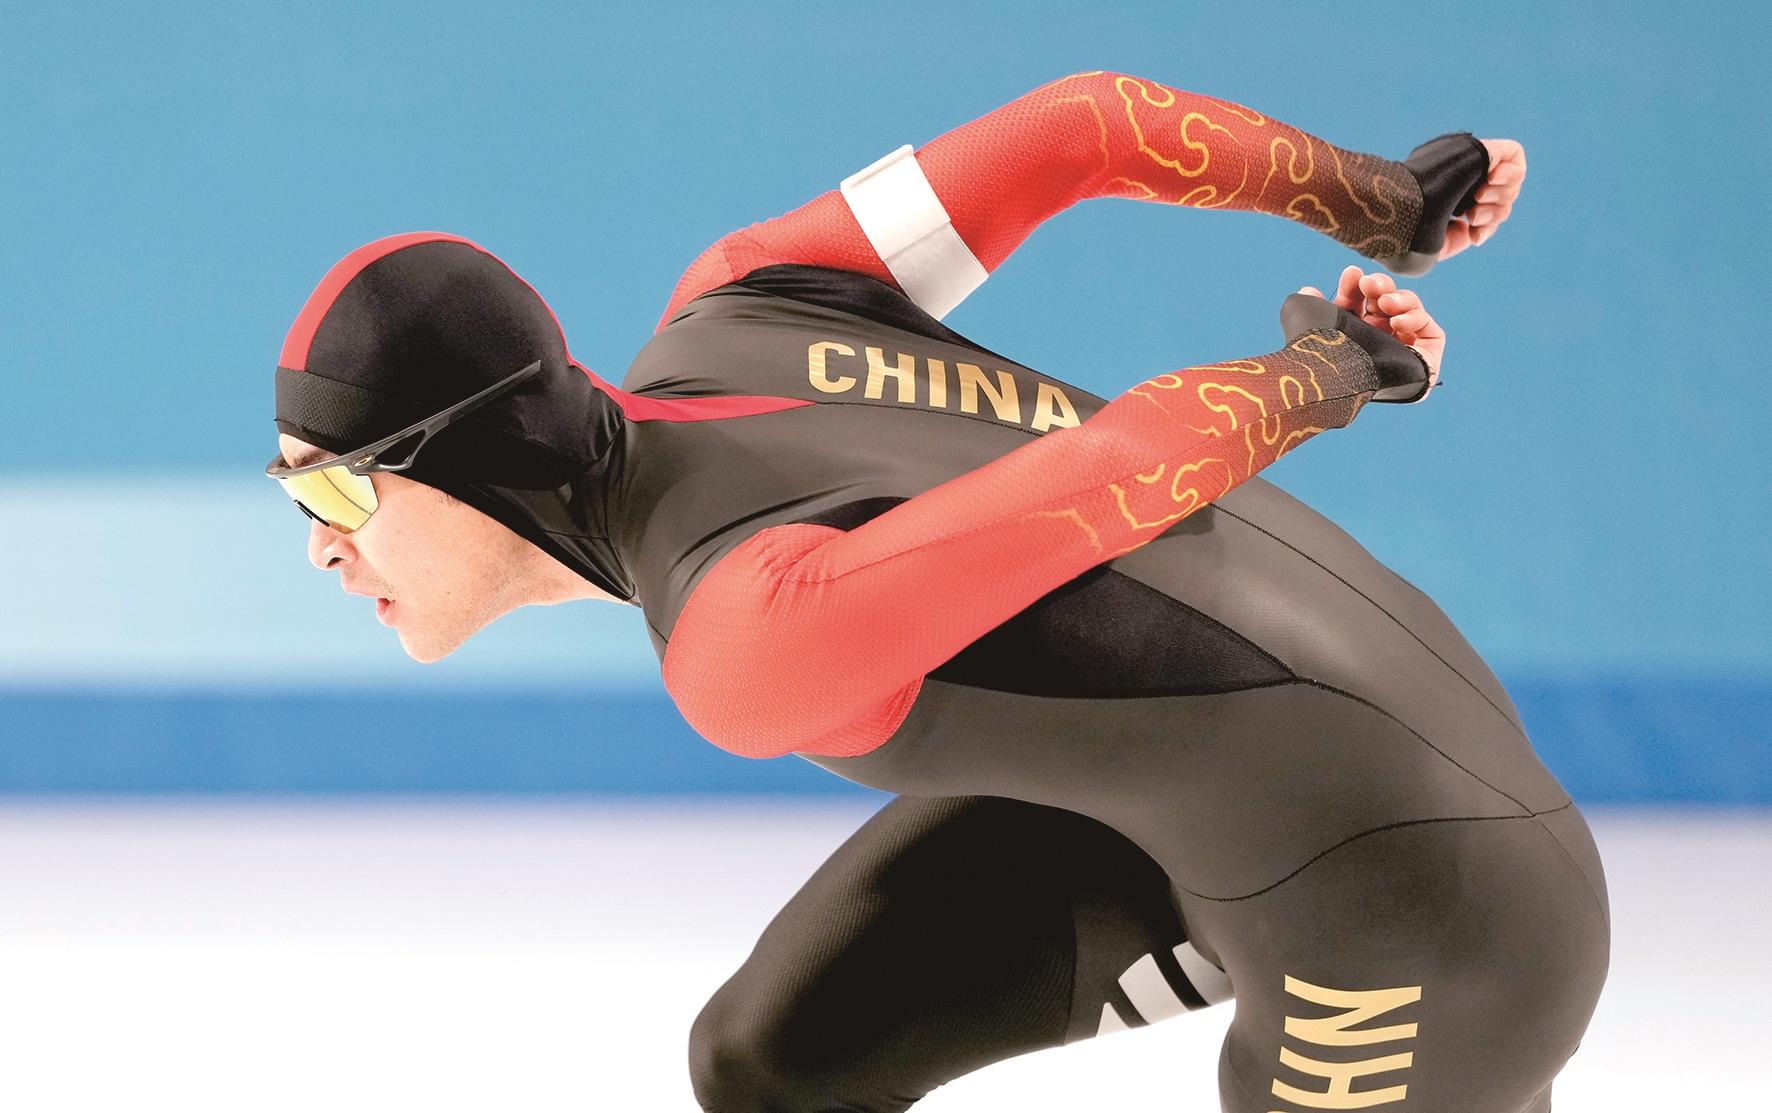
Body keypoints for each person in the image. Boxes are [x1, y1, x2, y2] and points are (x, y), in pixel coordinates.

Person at [266, 70, 1606, 1113]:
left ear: (467, 462)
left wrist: (1338, 370)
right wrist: (1379, 200)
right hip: (1218, 809)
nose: (323, 548)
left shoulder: (744, 637)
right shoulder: (742, 295)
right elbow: (1083, 127)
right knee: (775, 1065)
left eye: (335, 494)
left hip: (1423, 886)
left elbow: (1117, 474)